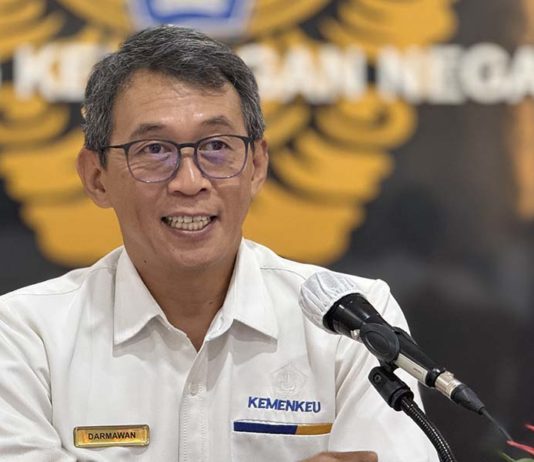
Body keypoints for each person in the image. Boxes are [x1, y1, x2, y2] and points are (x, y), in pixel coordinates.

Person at [0, 26, 438, 461]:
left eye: (216, 146)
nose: (190, 181)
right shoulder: (25, 334)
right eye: (153, 150)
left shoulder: (351, 323)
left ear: (257, 165)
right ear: (96, 177)